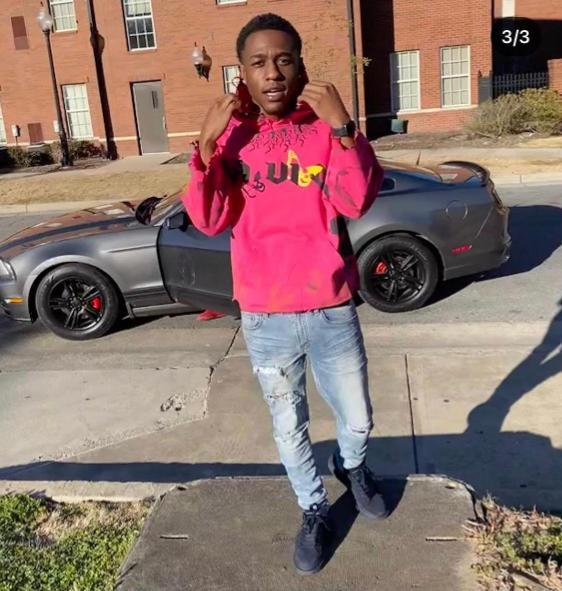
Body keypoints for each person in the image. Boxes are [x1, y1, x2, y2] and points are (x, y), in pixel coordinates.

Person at [181, 12, 387, 575]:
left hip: (329, 305)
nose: (271, 72)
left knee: (358, 418)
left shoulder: (323, 128)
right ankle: (314, 509)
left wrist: (344, 129)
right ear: (242, 73)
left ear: (299, 67)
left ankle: (352, 466)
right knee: (288, 424)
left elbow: (354, 200)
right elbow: (208, 218)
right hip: (266, 315)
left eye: (283, 60)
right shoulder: (232, 137)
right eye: (258, 62)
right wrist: (205, 146)